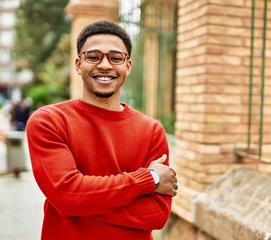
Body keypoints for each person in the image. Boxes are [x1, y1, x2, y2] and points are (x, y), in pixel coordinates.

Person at [26, 20, 178, 240]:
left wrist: (82, 202)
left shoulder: (151, 130)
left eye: (116, 58)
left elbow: (156, 215)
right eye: (94, 56)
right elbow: (66, 195)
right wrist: (149, 178)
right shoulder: (50, 121)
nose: (105, 65)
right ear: (78, 64)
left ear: (128, 66)